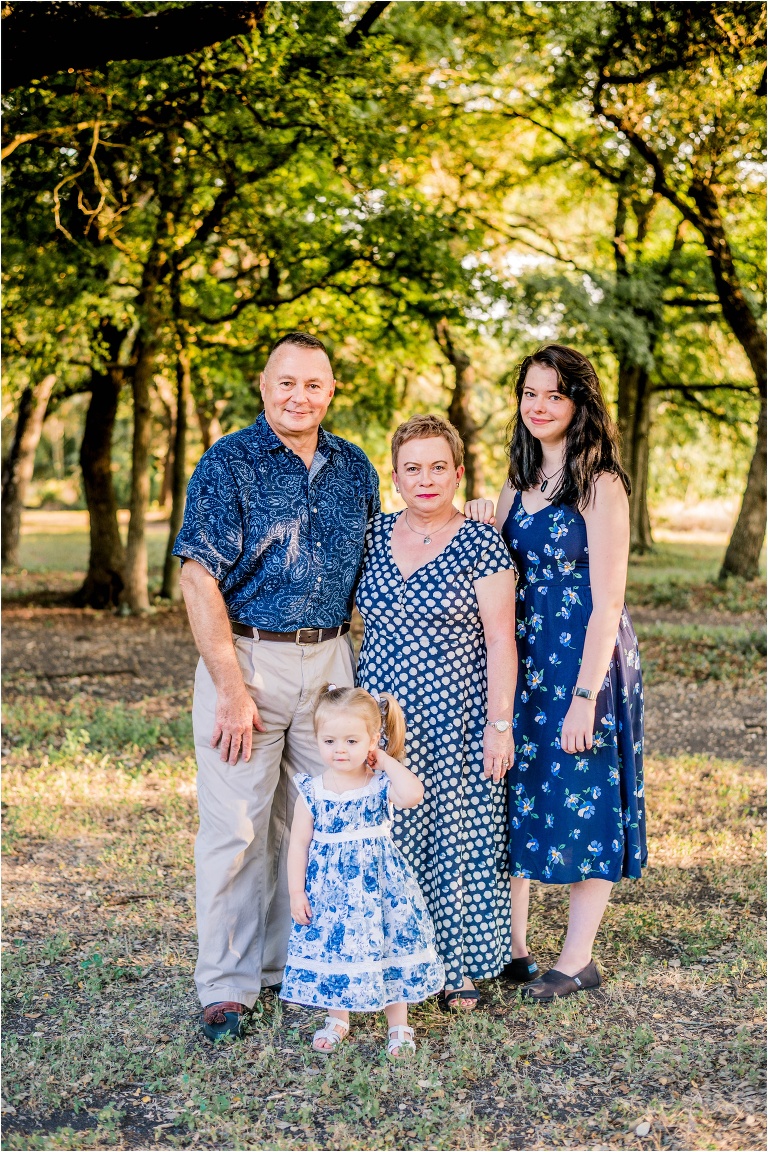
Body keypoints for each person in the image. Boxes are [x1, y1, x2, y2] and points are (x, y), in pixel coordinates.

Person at [173, 331, 380, 1040]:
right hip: (250, 662)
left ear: (331, 391)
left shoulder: (355, 468)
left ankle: (298, 965)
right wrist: (231, 686)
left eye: (314, 384)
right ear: (264, 387)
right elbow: (197, 576)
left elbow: (387, 555)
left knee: (318, 822)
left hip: (330, 665)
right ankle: (228, 984)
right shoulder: (228, 461)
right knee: (237, 829)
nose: (299, 396)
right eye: (286, 382)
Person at [466, 343, 647, 1002]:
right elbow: (501, 565)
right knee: (516, 790)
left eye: (554, 395)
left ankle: (577, 960)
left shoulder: (600, 483)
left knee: (582, 793)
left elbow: (609, 602)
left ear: (579, 404)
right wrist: (483, 517)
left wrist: (584, 697)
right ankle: (513, 949)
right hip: (525, 658)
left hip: (584, 661)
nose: (539, 407)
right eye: (529, 394)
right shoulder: (517, 480)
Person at [355, 414, 520, 1010]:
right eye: (412, 468)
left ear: (458, 472)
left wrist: (498, 726)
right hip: (381, 714)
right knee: (388, 833)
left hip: (458, 711)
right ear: (395, 476)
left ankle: (459, 965)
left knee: (460, 834)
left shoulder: (481, 541)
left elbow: (503, 639)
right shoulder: (371, 534)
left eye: (437, 467)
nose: (425, 479)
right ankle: (389, 957)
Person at [281, 684, 444, 1056]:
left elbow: (413, 795)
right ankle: (338, 1017)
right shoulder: (313, 790)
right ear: (317, 740)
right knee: (335, 950)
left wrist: (384, 760)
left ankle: (398, 1023)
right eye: (330, 740)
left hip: (380, 891)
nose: (340, 750)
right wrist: (296, 892)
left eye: (352, 741)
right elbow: (299, 844)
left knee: (387, 946)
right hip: (330, 894)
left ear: (373, 740)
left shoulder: (380, 783)